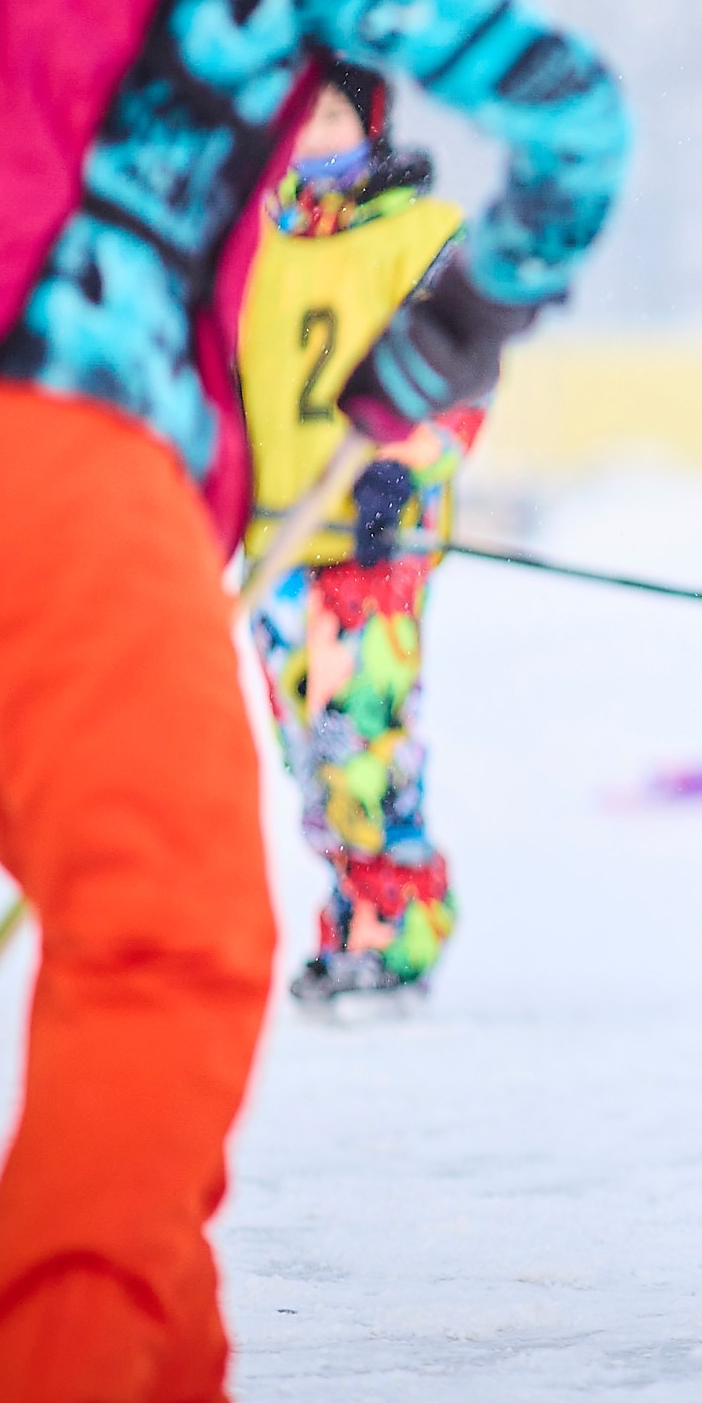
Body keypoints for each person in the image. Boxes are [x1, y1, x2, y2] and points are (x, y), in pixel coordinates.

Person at [0, 0, 627, 1401]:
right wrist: (460, 321)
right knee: (170, 944)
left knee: (123, 935)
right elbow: (572, 117)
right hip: (37, 437)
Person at [243, 60, 482, 1006]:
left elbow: (467, 370)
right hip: (274, 543)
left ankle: (401, 932)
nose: (312, 134)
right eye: (298, 115)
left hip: (374, 539)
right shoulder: (248, 241)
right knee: (306, 746)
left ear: (371, 124)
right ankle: (350, 919)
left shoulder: (422, 236)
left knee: (361, 738)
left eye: (333, 115)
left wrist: (405, 465)